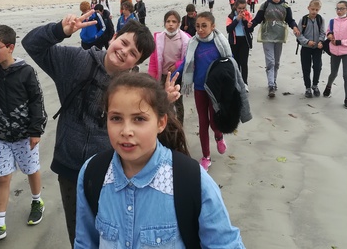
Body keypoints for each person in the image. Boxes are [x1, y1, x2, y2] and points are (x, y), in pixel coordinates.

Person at [21, 12, 163, 246]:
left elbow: (146, 129)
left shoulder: (133, 88)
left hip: (114, 172)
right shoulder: (75, 60)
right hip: (69, 166)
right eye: (124, 42)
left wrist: (162, 104)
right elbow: (31, 44)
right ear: (113, 36)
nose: (124, 51)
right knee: (78, 234)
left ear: (136, 63)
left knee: (113, 234)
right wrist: (60, 31)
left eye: (133, 54)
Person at [74, 72, 245, 248]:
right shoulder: (93, 173)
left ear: (161, 123)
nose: (126, 131)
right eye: (116, 118)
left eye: (139, 119)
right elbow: (85, 242)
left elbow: (225, 244)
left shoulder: (191, 181)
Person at [0, 25, 47, 246]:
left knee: (31, 170)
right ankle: (0, 224)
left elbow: (36, 100)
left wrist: (35, 130)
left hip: (24, 135)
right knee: (2, 178)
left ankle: (37, 202)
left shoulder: (26, 71)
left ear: (10, 48)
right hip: (1, 136)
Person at [174, 12, 232, 171]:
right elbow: (185, 64)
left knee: (214, 121)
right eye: (197, 26)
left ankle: (219, 135)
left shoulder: (220, 43)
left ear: (213, 26)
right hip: (199, 88)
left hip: (215, 90)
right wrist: (174, 76)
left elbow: (229, 63)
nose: (200, 29)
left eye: (204, 26)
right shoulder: (193, 43)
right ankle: (206, 156)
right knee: (202, 122)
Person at [248, 0, 300, 97]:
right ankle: (271, 85)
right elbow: (257, 19)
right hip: (267, 36)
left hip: (280, 36)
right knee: (270, 61)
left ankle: (274, 81)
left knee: (276, 62)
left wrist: (295, 27)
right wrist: (250, 26)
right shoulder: (265, 5)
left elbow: (290, 20)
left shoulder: (286, 6)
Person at [148, 10, 191, 125]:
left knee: (178, 101)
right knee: (164, 101)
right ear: (164, 23)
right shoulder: (158, 39)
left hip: (177, 76)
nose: (171, 24)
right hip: (162, 76)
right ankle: (168, 125)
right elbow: (153, 60)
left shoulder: (185, 39)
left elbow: (189, 58)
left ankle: (179, 125)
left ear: (178, 24)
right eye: (168, 21)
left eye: (174, 21)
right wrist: (151, 77)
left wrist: (177, 65)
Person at [322, 1, 347, 109]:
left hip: (346, 52)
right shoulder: (333, 21)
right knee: (333, 73)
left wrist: (340, 42)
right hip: (334, 51)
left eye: (342, 9)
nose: (339, 11)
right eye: (337, 8)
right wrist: (329, 35)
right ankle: (328, 86)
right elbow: (328, 31)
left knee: (346, 75)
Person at [296, 0, 326, 98]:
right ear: (308, 8)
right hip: (306, 48)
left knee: (317, 67)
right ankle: (308, 87)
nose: (314, 12)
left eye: (317, 10)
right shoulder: (303, 20)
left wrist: (320, 41)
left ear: (319, 9)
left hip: (317, 48)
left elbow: (323, 33)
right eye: (312, 9)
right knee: (306, 68)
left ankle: (315, 85)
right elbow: (299, 35)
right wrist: (307, 42)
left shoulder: (320, 19)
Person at [226, 0, 254, 91]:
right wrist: (237, 19)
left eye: (243, 8)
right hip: (234, 42)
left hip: (244, 41)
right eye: (239, 8)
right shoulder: (230, 16)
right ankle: (237, 82)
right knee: (236, 63)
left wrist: (245, 20)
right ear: (235, 7)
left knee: (244, 63)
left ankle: (245, 83)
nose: (241, 10)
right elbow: (229, 29)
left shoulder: (248, 15)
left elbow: (250, 29)